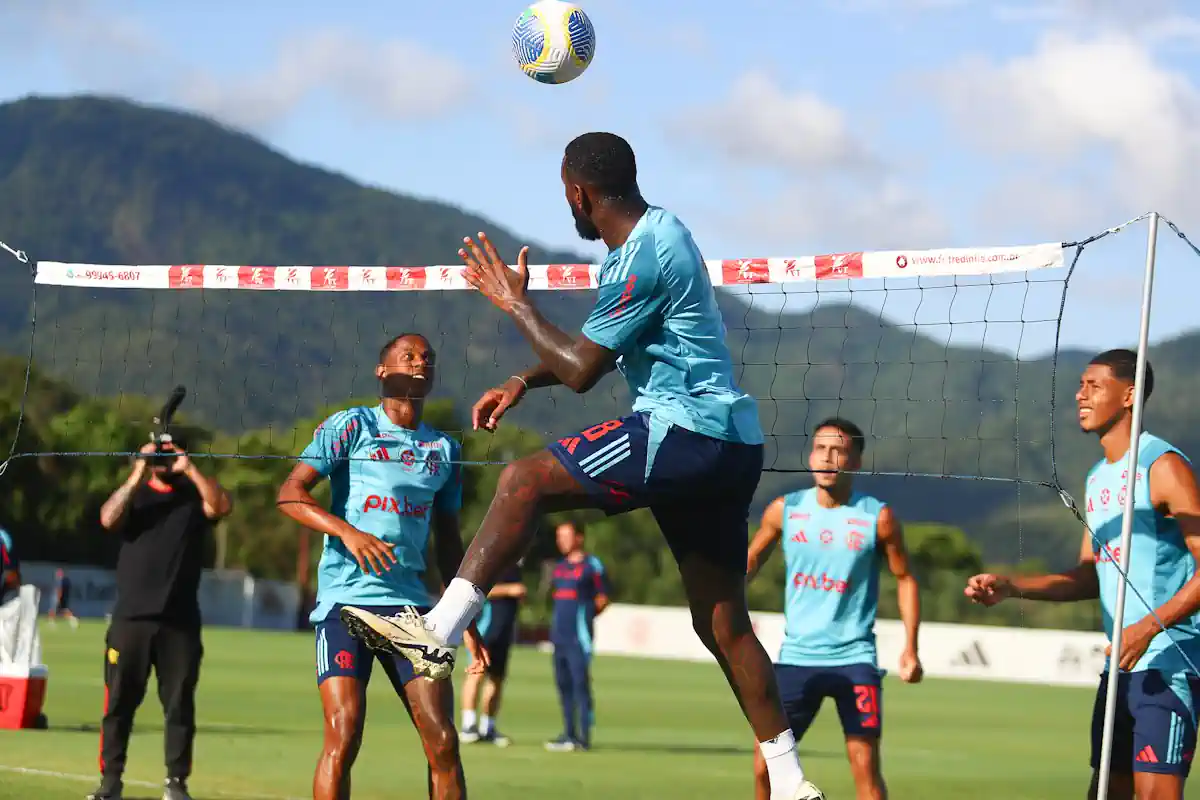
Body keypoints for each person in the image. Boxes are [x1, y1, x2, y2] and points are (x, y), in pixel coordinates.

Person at [342, 132, 825, 800]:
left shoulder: (639, 260)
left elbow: (581, 371)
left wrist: (513, 301)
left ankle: (436, 634)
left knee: (523, 481)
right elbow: (583, 352)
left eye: (564, 191)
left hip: (680, 434)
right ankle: (792, 780)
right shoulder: (654, 238)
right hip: (731, 445)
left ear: (580, 193)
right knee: (720, 622)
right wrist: (521, 379)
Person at [965, 349, 1200, 800]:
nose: (1080, 395)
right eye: (1080, 386)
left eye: (1093, 386)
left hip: (1167, 667)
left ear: (1129, 395)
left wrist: (1148, 627)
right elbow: (1088, 577)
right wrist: (1011, 586)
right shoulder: (1096, 478)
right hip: (1120, 670)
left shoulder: (1163, 466)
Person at [277, 332, 489, 800]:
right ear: (382, 371)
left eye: (427, 358)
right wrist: (347, 532)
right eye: (407, 356)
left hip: (412, 612)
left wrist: (465, 617)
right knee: (344, 731)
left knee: (443, 739)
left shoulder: (444, 450)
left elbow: (448, 542)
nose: (419, 363)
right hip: (346, 605)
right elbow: (290, 494)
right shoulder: (351, 427)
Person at [747, 418, 923, 800]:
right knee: (765, 767)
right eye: (820, 448)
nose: (827, 458)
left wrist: (911, 647)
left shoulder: (877, 517)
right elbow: (751, 561)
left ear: (855, 461)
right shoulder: (785, 510)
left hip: (854, 657)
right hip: (795, 657)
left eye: (838, 450)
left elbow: (906, 578)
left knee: (865, 768)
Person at [90, 435, 233, 800]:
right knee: (119, 705)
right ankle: (110, 783)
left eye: (169, 455)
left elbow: (220, 507)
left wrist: (192, 469)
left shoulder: (191, 496)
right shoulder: (134, 496)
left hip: (179, 624)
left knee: (179, 707)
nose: (164, 462)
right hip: (131, 622)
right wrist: (139, 469)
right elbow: (107, 519)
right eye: (159, 455)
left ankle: (176, 784)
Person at [543, 521, 609, 752]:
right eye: (559, 536)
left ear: (579, 538)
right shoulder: (559, 567)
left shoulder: (592, 566)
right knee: (563, 685)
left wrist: (584, 620)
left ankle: (584, 737)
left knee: (580, 684)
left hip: (578, 638)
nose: (561, 540)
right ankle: (568, 734)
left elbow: (602, 599)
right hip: (558, 637)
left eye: (566, 536)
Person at [460, 560, 527, 747]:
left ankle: (488, 728)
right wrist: (509, 590)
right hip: (485, 628)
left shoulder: (514, 566)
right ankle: (468, 725)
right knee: (477, 673)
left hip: (504, 630)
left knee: (497, 678)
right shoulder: (491, 561)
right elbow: (476, 589)